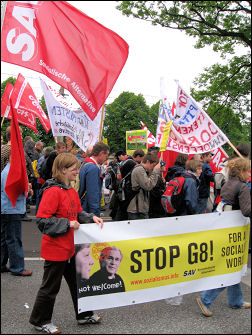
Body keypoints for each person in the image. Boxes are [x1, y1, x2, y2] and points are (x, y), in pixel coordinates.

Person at [29, 153, 104, 334]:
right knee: (50, 288)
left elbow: (77, 213)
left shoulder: (70, 191)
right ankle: (40, 321)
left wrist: (90, 217)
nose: (78, 172)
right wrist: (68, 224)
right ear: (63, 170)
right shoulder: (53, 191)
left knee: (79, 284)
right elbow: (42, 221)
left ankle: (84, 315)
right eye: (74, 169)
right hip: (56, 250)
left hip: (70, 248)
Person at [196, 157, 251, 317]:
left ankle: (236, 301)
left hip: (225, 228)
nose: (249, 173)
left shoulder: (228, 183)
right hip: (234, 232)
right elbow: (247, 211)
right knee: (230, 266)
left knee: (233, 265)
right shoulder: (242, 187)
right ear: (241, 171)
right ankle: (206, 299)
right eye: (247, 170)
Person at [1, 154, 33, 276]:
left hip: (6, 209)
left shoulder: (6, 170)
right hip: (11, 209)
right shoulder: (11, 172)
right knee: (14, 239)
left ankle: (2, 264)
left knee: (5, 238)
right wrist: (28, 192)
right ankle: (17, 267)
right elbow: (13, 192)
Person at [78, 142, 109, 217]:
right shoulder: (93, 168)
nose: (106, 159)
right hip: (88, 209)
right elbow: (93, 194)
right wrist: (95, 214)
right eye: (106, 155)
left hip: (83, 206)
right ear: (101, 153)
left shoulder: (85, 164)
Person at [127, 153, 161, 220]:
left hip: (140, 208)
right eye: (153, 166)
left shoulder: (144, 170)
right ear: (148, 162)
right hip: (136, 210)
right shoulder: (139, 170)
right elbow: (148, 185)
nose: (153, 168)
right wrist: (156, 171)